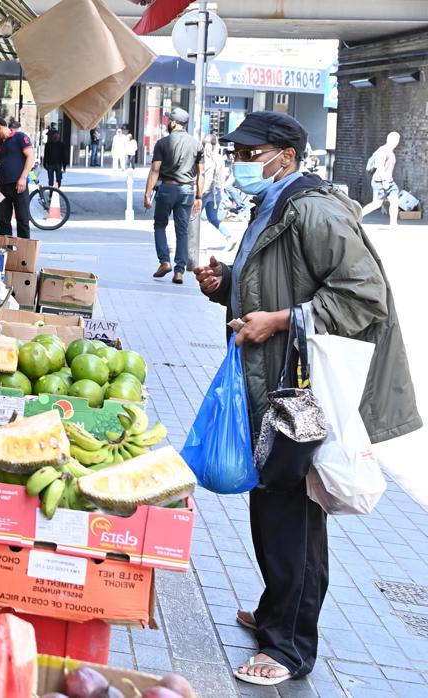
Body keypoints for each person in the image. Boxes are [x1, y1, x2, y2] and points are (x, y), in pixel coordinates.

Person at [193, 111, 420, 688]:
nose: (241, 163)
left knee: (293, 516)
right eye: (238, 153)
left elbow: (363, 295)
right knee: (272, 506)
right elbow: (272, 281)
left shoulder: (316, 210)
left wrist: (281, 320)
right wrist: (228, 287)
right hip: (270, 384)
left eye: (252, 153)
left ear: (286, 157)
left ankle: (290, 647)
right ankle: (275, 613)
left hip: (298, 393)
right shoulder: (275, 203)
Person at [143, 107, 203, 284]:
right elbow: (202, 173)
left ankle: (164, 261)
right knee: (182, 231)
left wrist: (147, 193)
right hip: (187, 191)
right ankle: (179, 272)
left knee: (160, 225)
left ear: (174, 123)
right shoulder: (196, 144)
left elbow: (155, 170)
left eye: (170, 120)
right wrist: (199, 197)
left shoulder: (162, 143)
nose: (168, 122)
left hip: (167, 189)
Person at [360, 132, 401, 228]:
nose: (396, 142)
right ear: (389, 139)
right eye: (394, 140)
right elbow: (379, 166)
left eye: (397, 140)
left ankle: (393, 224)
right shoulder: (383, 150)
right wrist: (384, 181)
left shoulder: (390, 151)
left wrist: (388, 180)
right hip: (379, 181)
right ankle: (356, 217)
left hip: (390, 181)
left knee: (395, 201)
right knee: (377, 204)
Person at [200, 133, 227, 234]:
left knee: (192, 217)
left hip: (202, 191)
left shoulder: (201, 157)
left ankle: (189, 241)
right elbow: (221, 177)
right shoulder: (219, 158)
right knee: (213, 218)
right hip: (215, 192)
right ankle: (229, 236)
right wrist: (221, 192)